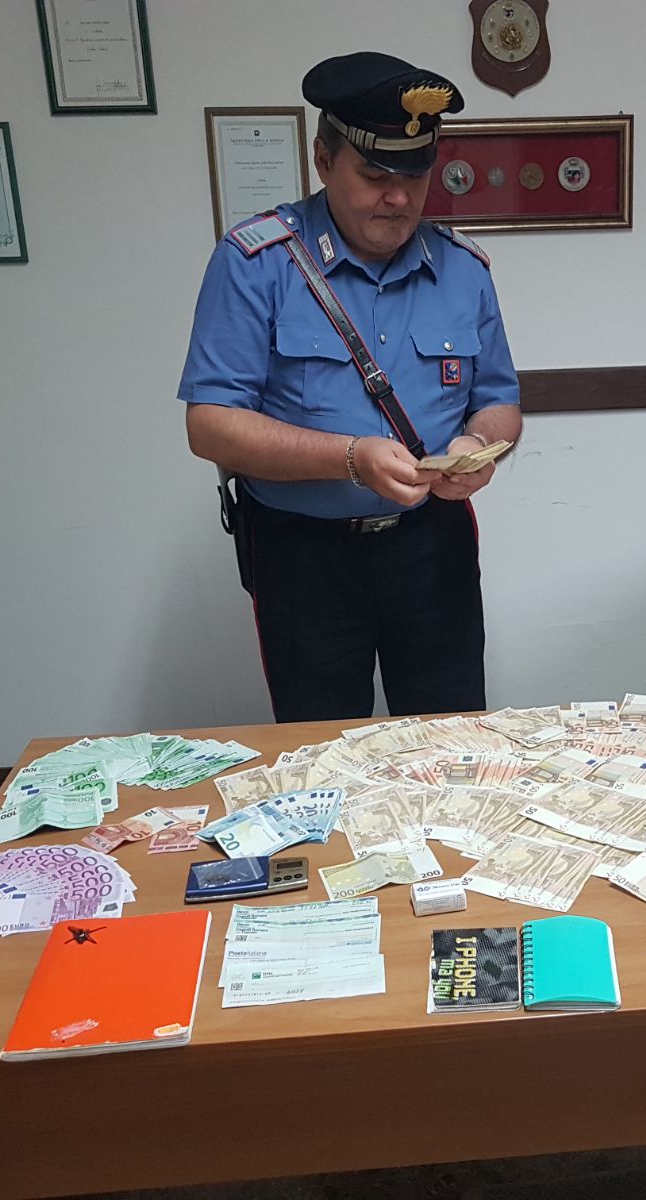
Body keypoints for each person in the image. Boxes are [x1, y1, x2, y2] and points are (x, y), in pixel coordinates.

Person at [178, 52, 522, 723]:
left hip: (432, 544)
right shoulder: (257, 263)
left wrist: (477, 446)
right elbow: (210, 423)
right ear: (322, 159)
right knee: (319, 747)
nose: (398, 198)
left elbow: (498, 402)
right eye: (375, 176)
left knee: (450, 738)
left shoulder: (464, 269)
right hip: (305, 554)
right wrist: (349, 457)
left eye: (414, 175)